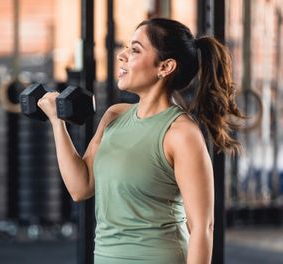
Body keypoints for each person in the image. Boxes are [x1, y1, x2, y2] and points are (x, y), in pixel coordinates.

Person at [37, 18, 243, 264]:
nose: (122, 56)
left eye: (135, 50)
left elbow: (202, 228)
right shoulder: (114, 115)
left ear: (165, 67)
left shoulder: (181, 133)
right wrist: (56, 122)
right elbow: (80, 188)